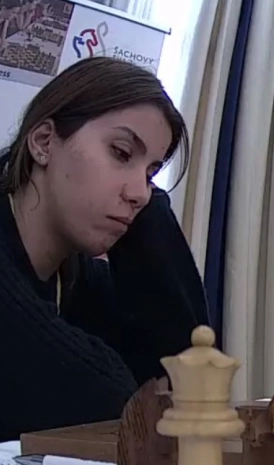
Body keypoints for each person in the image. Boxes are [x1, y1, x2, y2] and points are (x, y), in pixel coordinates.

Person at [0, 57, 210, 442]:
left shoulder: (79, 280)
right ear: (44, 142)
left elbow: (192, 383)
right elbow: (112, 403)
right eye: (121, 153)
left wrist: (152, 212)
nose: (139, 193)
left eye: (151, 174)